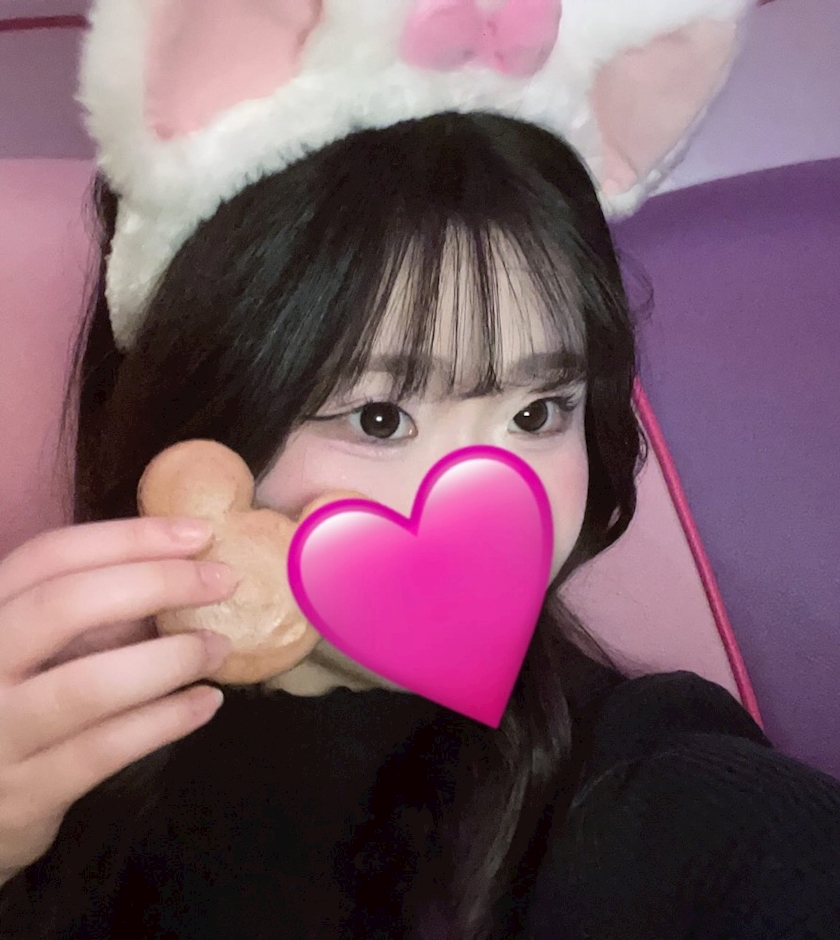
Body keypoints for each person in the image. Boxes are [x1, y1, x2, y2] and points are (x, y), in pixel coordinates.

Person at [2, 6, 840, 939]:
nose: (490, 498)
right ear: (202, 437)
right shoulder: (43, 764)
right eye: (380, 418)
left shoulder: (656, 792)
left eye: (538, 413)